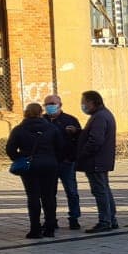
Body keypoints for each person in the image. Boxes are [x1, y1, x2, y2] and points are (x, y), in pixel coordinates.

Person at [7, 103, 60, 239]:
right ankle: (50, 228)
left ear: (26, 113)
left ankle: (35, 229)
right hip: (49, 165)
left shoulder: (19, 129)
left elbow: (10, 149)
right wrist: (53, 158)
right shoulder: (51, 128)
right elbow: (61, 146)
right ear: (41, 112)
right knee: (48, 196)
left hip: (30, 166)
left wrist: (20, 159)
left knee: (33, 197)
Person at [75, 90, 118, 233]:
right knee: (104, 189)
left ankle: (105, 221)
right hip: (100, 160)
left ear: (92, 102)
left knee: (100, 191)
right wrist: (78, 132)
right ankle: (111, 219)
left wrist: (82, 154)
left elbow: (96, 140)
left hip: (96, 161)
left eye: (84, 102)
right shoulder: (102, 114)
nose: (82, 105)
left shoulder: (99, 117)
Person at [42, 94, 84, 230]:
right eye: (47, 104)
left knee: (71, 191)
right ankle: (50, 219)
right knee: (49, 193)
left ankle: (74, 218)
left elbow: (80, 139)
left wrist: (76, 132)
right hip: (49, 163)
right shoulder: (42, 121)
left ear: (60, 105)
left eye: (52, 103)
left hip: (66, 161)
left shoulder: (70, 120)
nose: (50, 106)